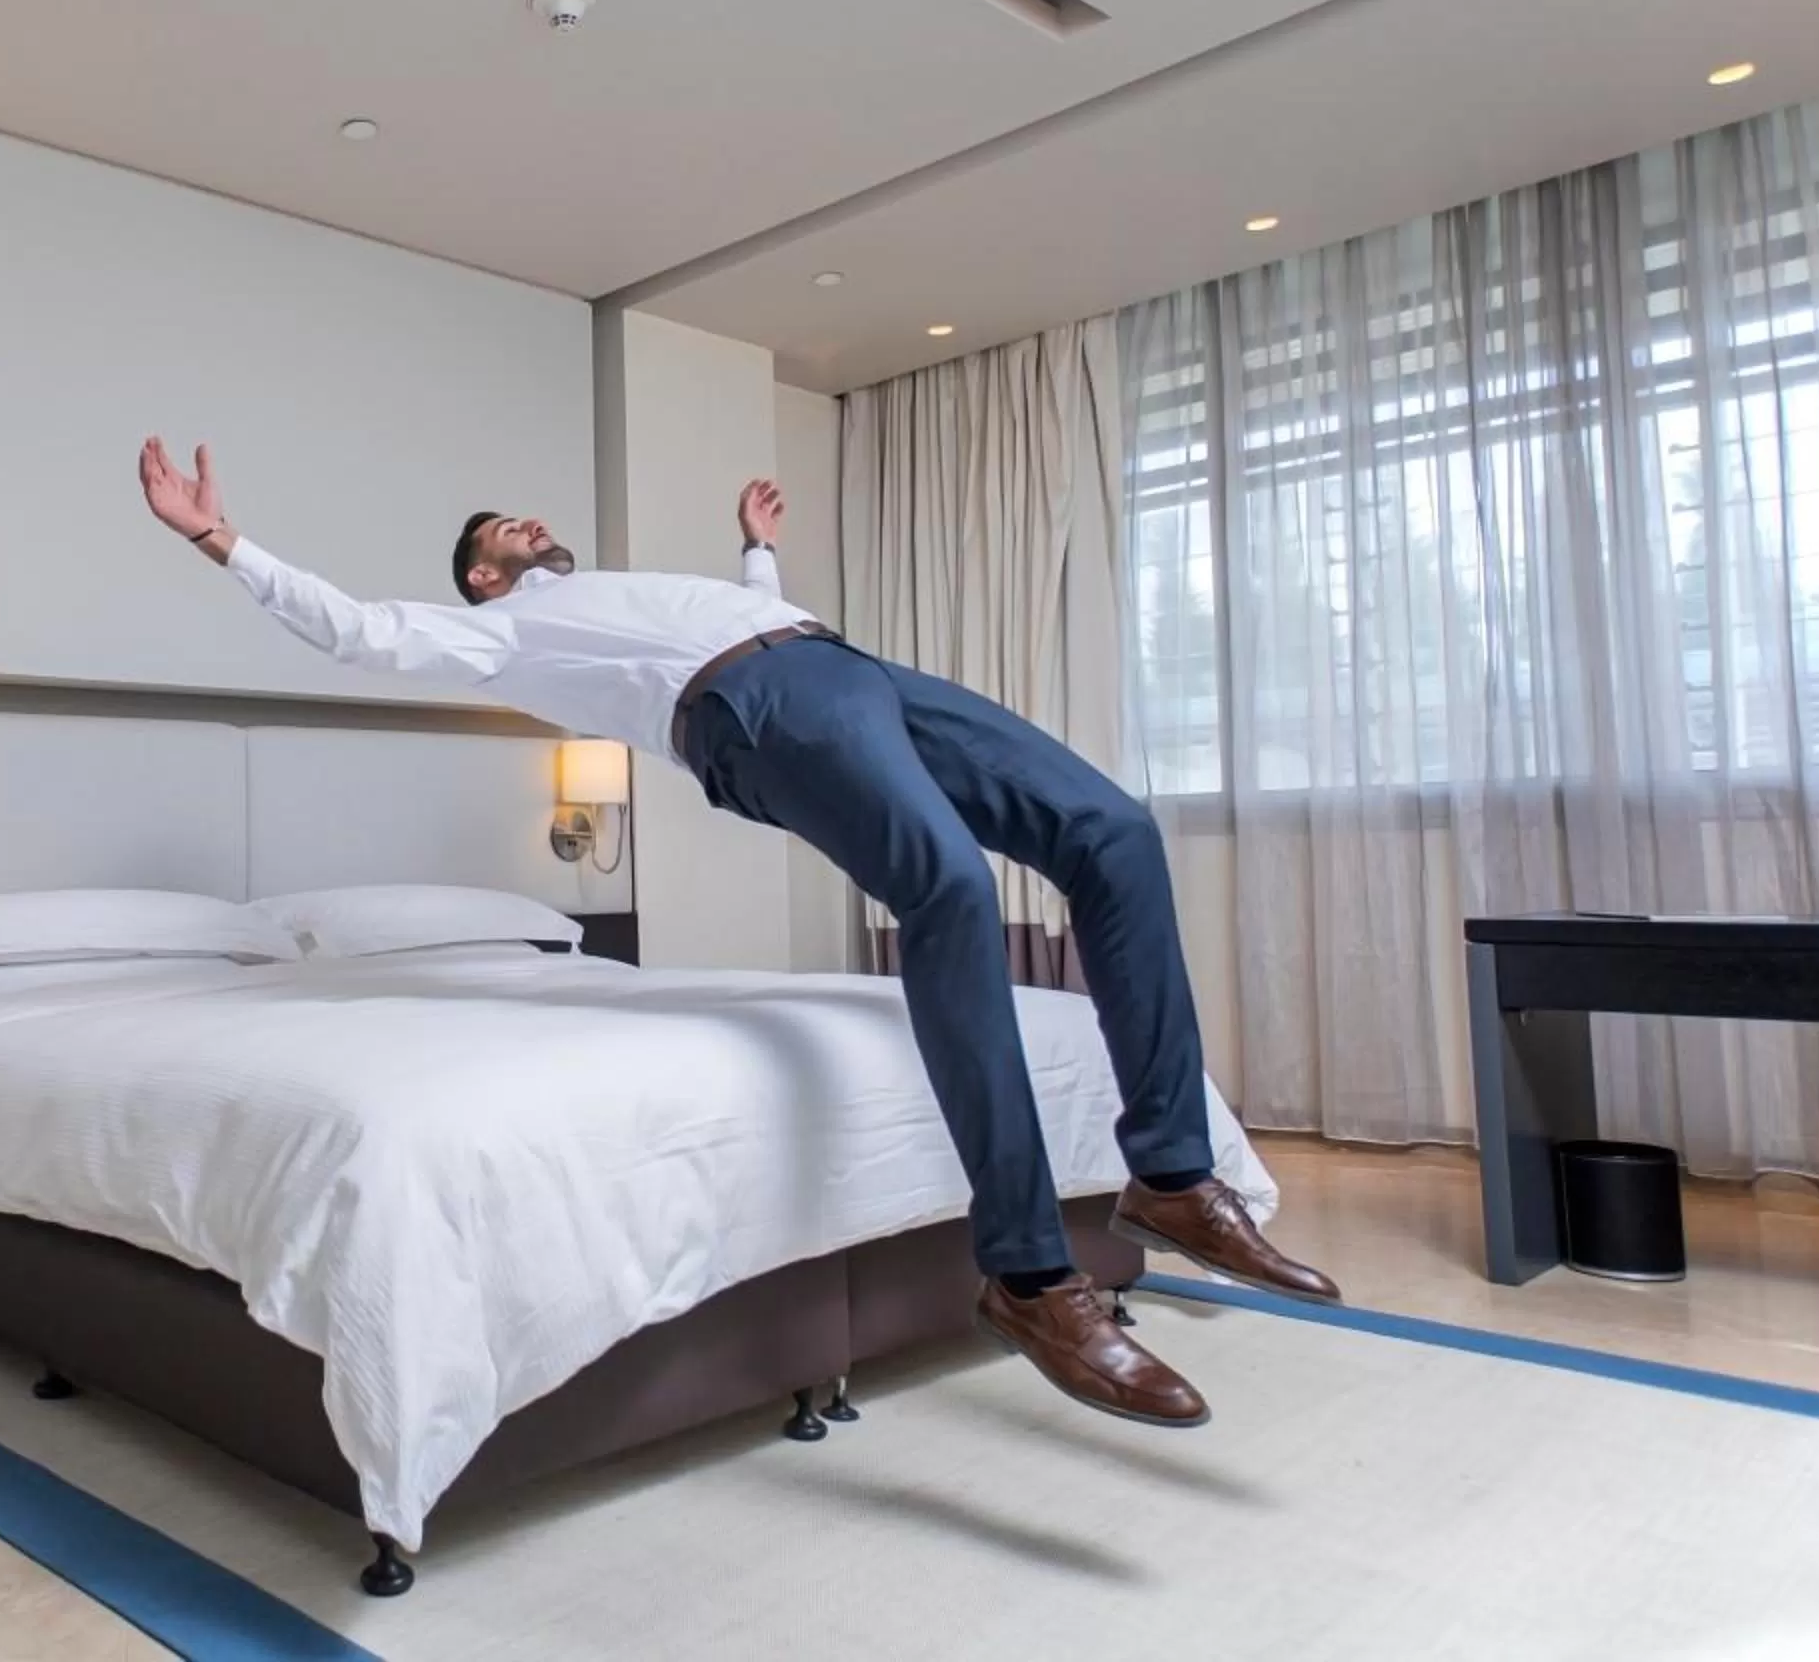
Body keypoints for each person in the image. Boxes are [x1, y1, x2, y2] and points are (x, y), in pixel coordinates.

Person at [136, 437, 1336, 1426]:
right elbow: (356, 629)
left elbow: (747, 615)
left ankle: (1174, 1175)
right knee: (953, 889)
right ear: (484, 580)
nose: (527, 521)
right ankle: (1029, 1272)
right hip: (748, 710)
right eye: (502, 527)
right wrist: (219, 541)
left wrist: (758, 548)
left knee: (1114, 828)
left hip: (837, 663)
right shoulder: (504, 633)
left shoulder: (625, 588)